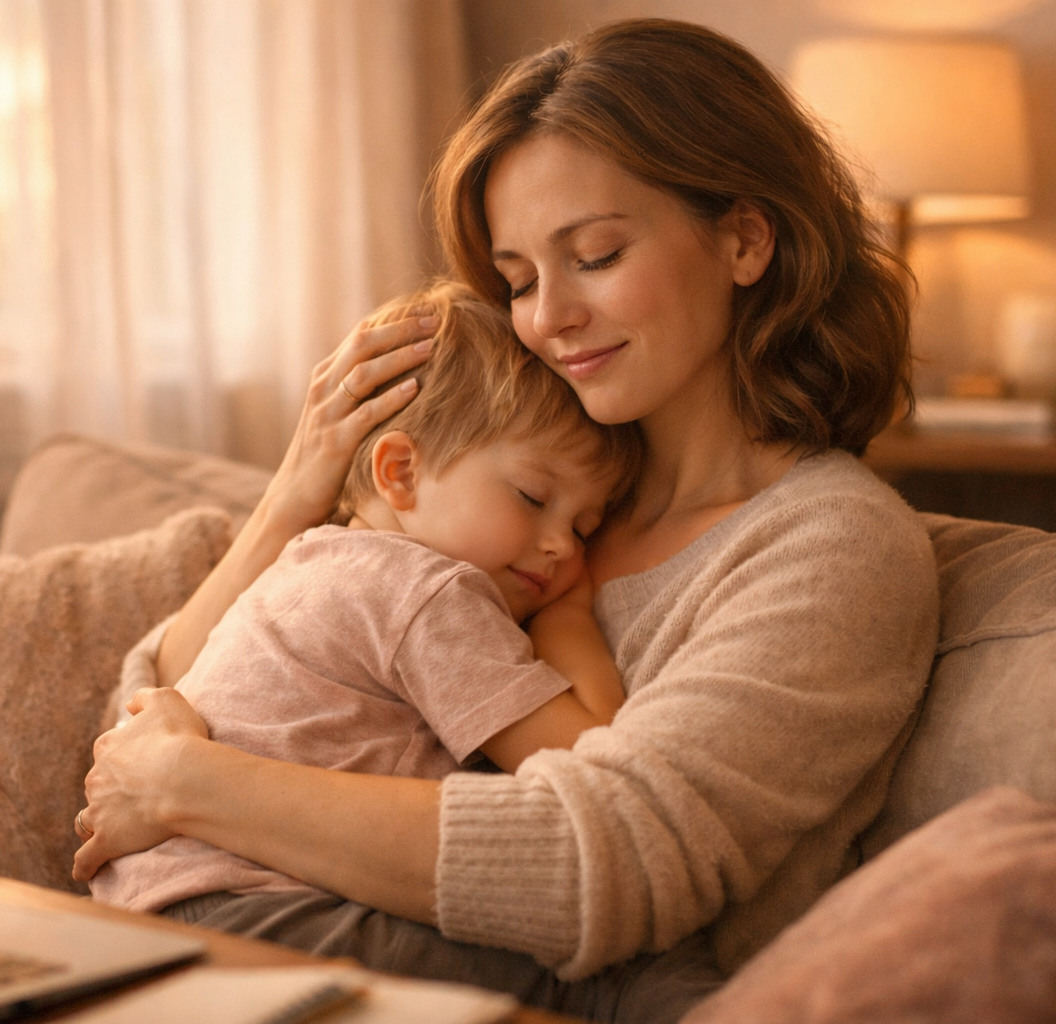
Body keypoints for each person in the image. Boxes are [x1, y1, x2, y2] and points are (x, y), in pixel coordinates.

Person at [73, 18, 940, 1022]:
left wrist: (190, 783)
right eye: (520, 278)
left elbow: (601, 859)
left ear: (745, 238)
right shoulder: (499, 494)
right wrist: (297, 500)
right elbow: (174, 696)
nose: (548, 317)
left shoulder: (832, 548)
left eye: (598, 255)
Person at [87, 280, 642, 915]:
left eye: (584, 530)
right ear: (400, 471)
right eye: (534, 498)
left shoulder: (307, 561)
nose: (564, 550)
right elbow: (590, 767)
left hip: (149, 897)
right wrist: (570, 618)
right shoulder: (428, 592)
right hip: (261, 905)